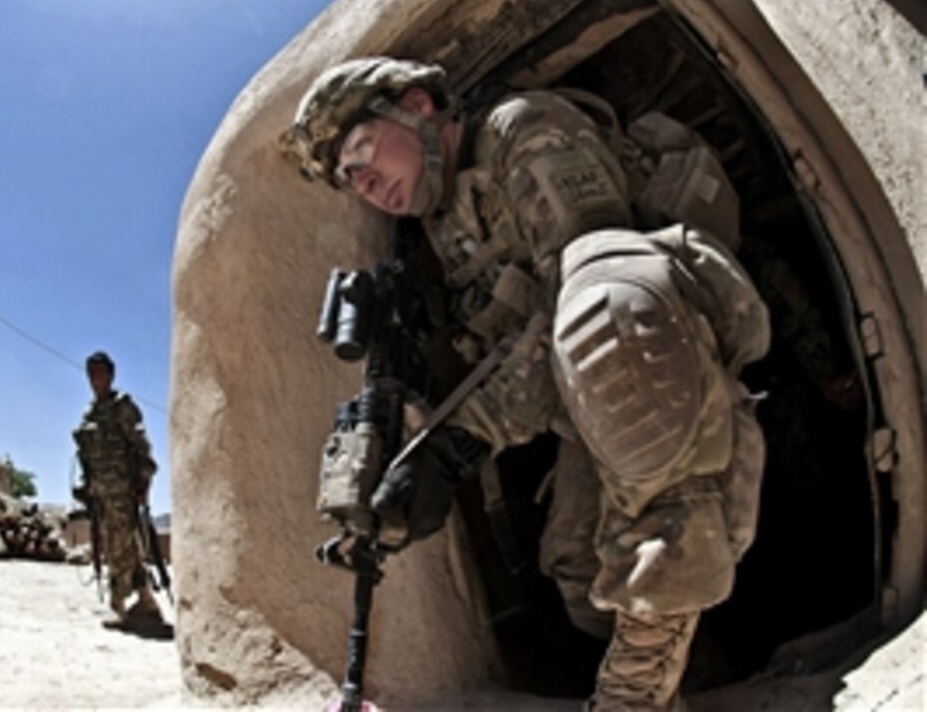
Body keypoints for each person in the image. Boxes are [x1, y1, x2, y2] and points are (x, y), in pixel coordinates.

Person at [283, 57, 771, 710]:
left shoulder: (524, 127)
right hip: (588, 401)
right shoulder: (443, 223)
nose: (365, 180)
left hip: (665, 364)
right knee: (576, 569)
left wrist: (463, 439)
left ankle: (636, 693)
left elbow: (587, 297)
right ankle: (700, 670)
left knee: (604, 293)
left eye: (363, 149)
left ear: (420, 104)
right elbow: (507, 349)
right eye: (350, 178)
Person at [72, 350, 162, 628]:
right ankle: (146, 600)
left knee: (119, 545)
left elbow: (141, 446)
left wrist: (144, 481)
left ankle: (118, 603)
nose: (95, 378)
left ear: (111, 375)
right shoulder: (90, 413)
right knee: (118, 545)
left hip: (123, 489)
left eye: (100, 372)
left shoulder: (122, 407)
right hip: (99, 492)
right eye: (91, 373)